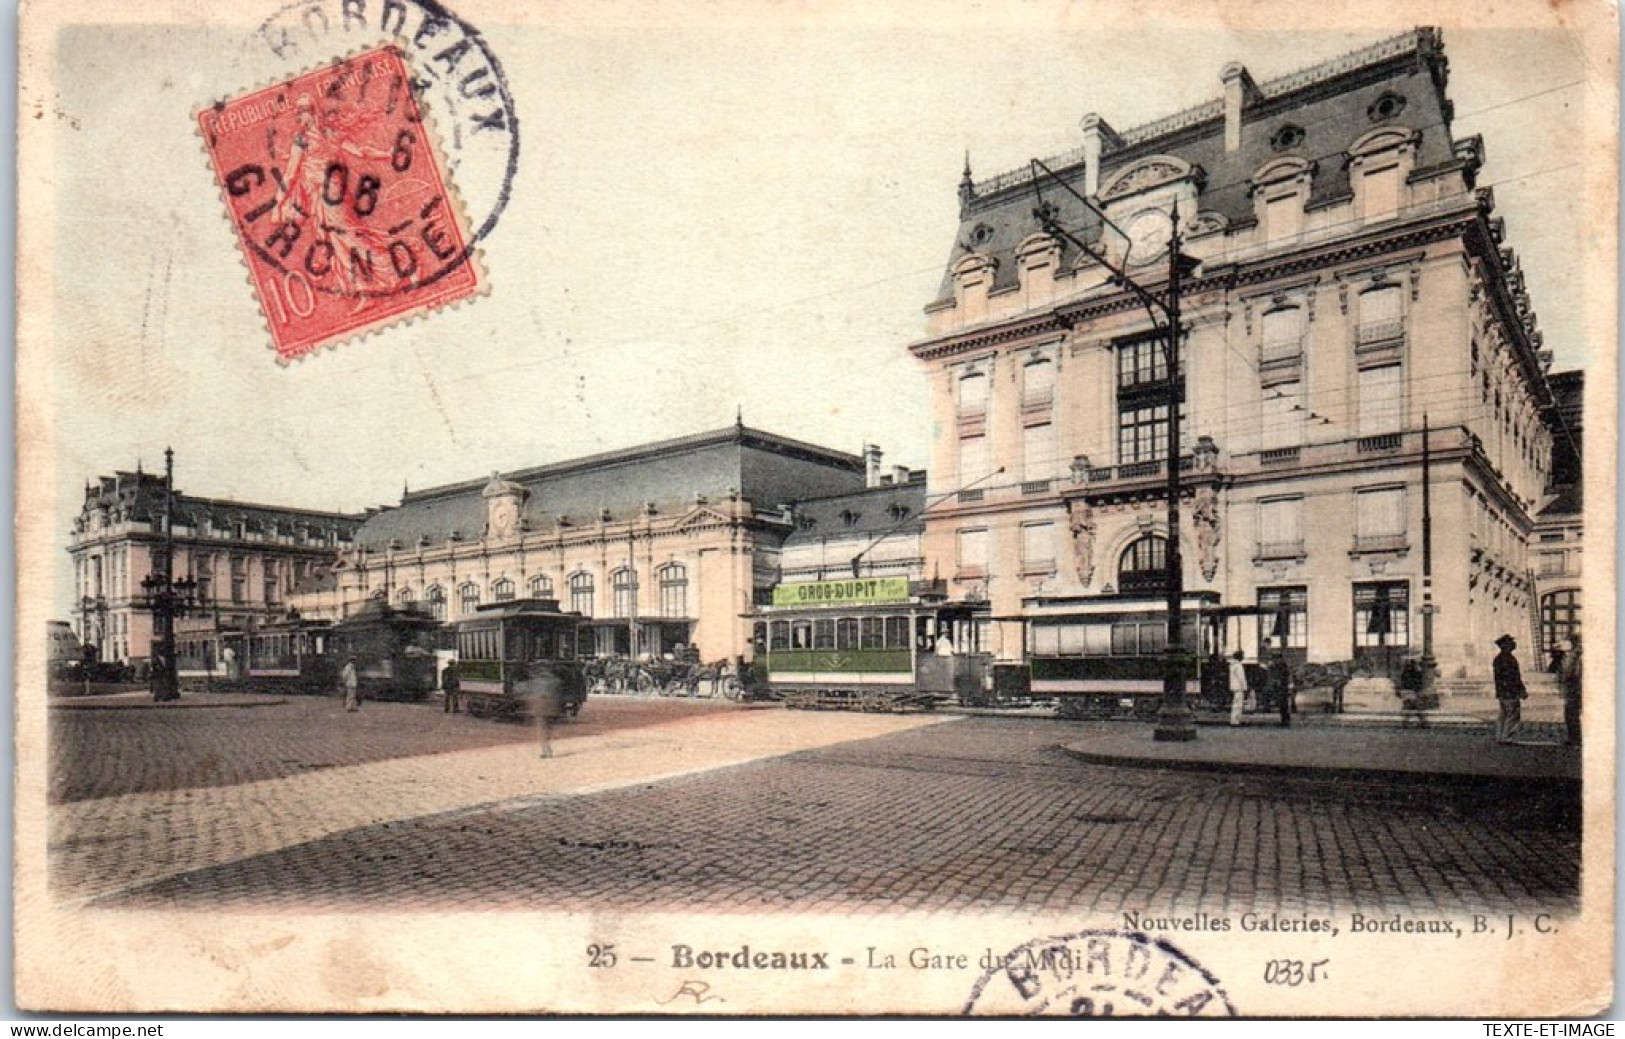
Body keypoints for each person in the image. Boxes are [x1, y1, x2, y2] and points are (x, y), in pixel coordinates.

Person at [1492, 634, 1526, 744]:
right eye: (1511, 642)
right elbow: (1514, 677)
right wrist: (1520, 690)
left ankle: (1500, 735)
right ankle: (1507, 736)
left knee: (1503, 714)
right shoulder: (1508, 659)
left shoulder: (1498, 658)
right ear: (1505, 645)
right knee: (1513, 714)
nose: (1514, 644)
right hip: (1509, 690)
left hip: (1502, 690)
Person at [1560, 634, 1582, 747]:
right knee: (1569, 714)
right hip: (1570, 689)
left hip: (1575, 689)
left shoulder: (1576, 657)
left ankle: (1576, 739)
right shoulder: (1567, 656)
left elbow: (1575, 674)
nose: (1561, 644)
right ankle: (1572, 737)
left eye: (1564, 642)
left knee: (1573, 714)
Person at [1268, 649, 1293, 728]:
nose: (1274, 660)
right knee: (1282, 705)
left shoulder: (1282, 665)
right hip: (1281, 687)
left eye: (1275, 658)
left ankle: (1285, 721)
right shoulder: (1277, 665)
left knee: (1283, 705)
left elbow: (1283, 676)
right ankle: (1284, 720)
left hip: (1283, 687)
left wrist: (1278, 681)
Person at [1228, 649, 1249, 727]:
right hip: (1239, 687)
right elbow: (1241, 678)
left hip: (1234, 686)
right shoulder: (1238, 666)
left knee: (1235, 704)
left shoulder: (1232, 665)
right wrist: (1245, 687)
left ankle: (1234, 720)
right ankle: (1236, 721)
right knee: (1238, 705)